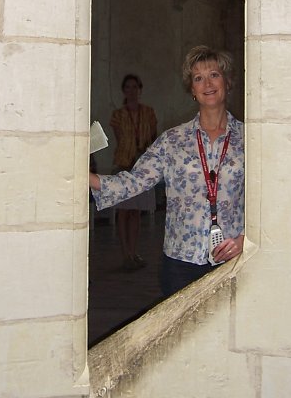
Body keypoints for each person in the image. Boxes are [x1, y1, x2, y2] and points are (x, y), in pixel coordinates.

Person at [89, 46, 244, 297]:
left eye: (214, 75)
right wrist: (84, 175)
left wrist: (246, 239)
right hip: (180, 261)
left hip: (232, 258)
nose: (207, 84)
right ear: (192, 90)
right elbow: (135, 181)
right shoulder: (172, 140)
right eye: (198, 78)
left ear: (227, 81)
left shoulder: (248, 139)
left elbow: (266, 197)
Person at [110, 74, 158, 270]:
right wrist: (130, 157)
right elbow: (120, 140)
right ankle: (125, 254)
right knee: (123, 211)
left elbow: (153, 138)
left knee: (136, 212)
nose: (132, 91)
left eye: (135, 87)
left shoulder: (149, 113)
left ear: (140, 89)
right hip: (124, 166)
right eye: (128, 87)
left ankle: (134, 251)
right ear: (124, 90)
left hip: (141, 167)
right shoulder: (118, 115)